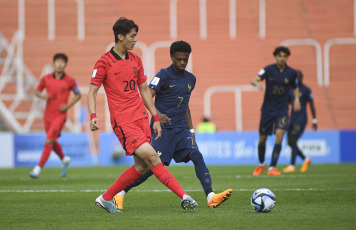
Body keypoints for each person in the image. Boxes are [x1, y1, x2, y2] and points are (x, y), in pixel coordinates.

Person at [88, 18, 198, 213]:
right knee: (153, 158)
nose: (135, 40)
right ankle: (185, 196)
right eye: (132, 36)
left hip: (140, 118)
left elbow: (145, 90)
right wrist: (93, 115)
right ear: (120, 36)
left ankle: (105, 198)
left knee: (142, 167)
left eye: (135, 36)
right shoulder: (104, 62)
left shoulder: (136, 60)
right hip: (123, 121)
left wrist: (155, 117)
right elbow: (92, 92)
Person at [112, 41, 232, 210]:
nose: (182, 62)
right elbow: (146, 97)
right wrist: (157, 114)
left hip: (181, 129)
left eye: (185, 59)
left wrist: (191, 129)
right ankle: (120, 193)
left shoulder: (191, 79)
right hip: (162, 130)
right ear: (172, 58)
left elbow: (185, 105)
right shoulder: (163, 75)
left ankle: (211, 196)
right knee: (149, 167)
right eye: (179, 59)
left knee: (197, 155)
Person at [251, 46, 301, 176]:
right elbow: (253, 80)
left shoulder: (291, 73)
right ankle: (261, 165)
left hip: (282, 110)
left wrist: (296, 100)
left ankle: (272, 168)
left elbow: (295, 88)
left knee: (279, 135)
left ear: (287, 58)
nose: (282, 58)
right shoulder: (268, 69)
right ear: (275, 56)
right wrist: (257, 84)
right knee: (262, 139)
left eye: (284, 56)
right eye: (280, 56)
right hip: (267, 110)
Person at [29, 53, 81, 178]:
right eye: (57, 61)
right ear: (53, 63)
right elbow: (37, 91)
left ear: (65, 65)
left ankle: (38, 168)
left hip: (60, 116)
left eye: (62, 62)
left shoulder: (70, 81)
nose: (60, 64)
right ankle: (64, 159)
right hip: (47, 115)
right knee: (51, 141)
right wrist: (42, 96)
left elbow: (78, 95)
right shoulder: (46, 78)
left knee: (48, 140)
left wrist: (67, 107)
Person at [283, 70, 317, 173]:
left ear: (302, 78)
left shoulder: (306, 90)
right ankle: (305, 159)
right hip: (292, 118)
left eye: (299, 77)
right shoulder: (291, 90)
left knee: (293, 140)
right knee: (290, 142)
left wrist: (315, 120)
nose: (297, 79)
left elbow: (311, 105)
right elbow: (287, 102)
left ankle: (292, 166)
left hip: (301, 118)